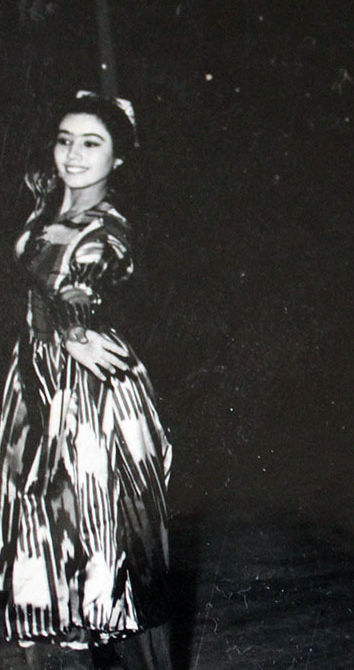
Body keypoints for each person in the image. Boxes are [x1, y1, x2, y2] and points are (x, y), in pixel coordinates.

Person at [0, 92, 172, 670]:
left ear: (118, 158)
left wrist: (74, 326)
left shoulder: (106, 226)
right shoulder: (48, 206)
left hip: (85, 393)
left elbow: (89, 276)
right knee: (43, 542)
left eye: (91, 143)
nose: (73, 154)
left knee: (94, 546)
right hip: (35, 383)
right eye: (65, 140)